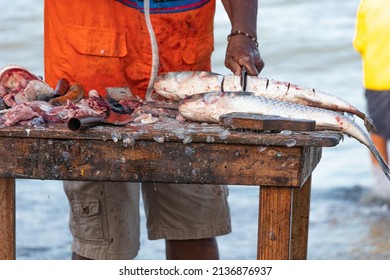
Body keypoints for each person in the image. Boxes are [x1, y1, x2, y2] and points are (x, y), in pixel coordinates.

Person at [44, 0, 265, 260]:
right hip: (94, 95)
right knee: (102, 244)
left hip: (183, 89)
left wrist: (243, 33)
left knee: (194, 229)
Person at [353, 0, 390, 200]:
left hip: (377, 80)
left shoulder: (368, 4)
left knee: (378, 132)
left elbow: (359, 43)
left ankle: (383, 186)